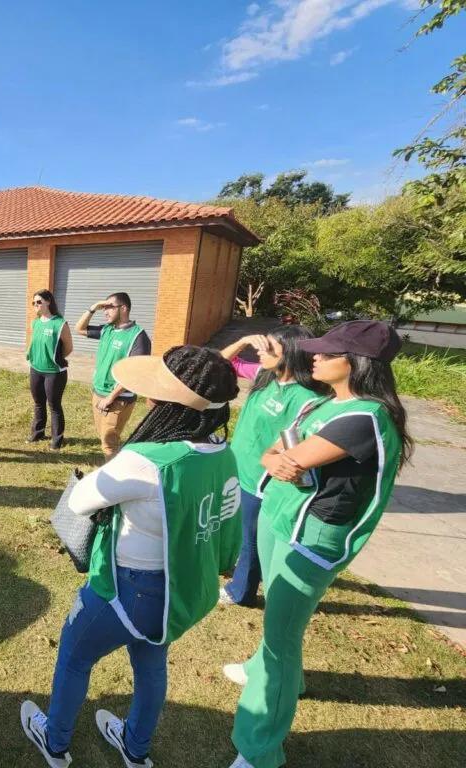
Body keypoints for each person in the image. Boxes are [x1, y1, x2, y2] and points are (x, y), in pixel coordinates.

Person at [21, 346, 241, 768]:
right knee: (151, 666)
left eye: (158, 392)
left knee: (74, 656)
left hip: (127, 589)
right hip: (175, 592)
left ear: (170, 404)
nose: (150, 398)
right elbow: (227, 531)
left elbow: (81, 500)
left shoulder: (148, 460)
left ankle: (55, 743)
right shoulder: (223, 454)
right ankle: (136, 749)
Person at [226, 321, 412, 768]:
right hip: (281, 518)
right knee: (280, 622)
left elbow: (294, 457)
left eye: (328, 354)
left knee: (280, 640)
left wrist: (282, 459)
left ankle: (259, 750)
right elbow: (271, 454)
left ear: (357, 364)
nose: (315, 358)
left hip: (311, 539)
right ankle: (266, 671)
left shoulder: (363, 417)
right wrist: (278, 459)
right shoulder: (326, 405)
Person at [217, 327, 325, 607]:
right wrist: (242, 340)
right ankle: (240, 571)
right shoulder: (265, 376)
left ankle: (241, 591)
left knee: (251, 538)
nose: (261, 353)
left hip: (262, 479)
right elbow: (221, 363)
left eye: (270, 350)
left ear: (290, 356)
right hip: (236, 467)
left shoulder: (307, 398)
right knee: (239, 531)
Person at [74, 292, 151, 461]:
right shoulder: (106, 330)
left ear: (123, 308)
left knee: (109, 444)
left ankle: (116, 482)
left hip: (117, 399)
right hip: (98, 393)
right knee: (105, 438)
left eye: (110, 307)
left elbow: (134, 373)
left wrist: (110, 397)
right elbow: (79, 329)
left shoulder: (138, 336)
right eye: (104, 307)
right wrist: (93, 308)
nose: (105, 311)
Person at [27, 290, 73, 449]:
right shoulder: (36, 322)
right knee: (39, 403)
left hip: (54, 373)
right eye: (33, 303)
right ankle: (38, 433)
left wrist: (55, 359)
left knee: (54, 406)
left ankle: (56, 440)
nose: (35, 305)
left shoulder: (60, 323)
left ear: (48, 302)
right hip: (35, 369)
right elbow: (35, 343)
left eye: (38, 302)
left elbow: (68, 348)